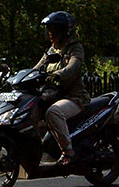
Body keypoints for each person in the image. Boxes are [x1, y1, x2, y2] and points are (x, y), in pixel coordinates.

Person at [33, 11, 90, 166]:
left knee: (54, 112)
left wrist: (58, 75)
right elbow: (37, 69)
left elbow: (74, 66)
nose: (50, 33)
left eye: (54, 29)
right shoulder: (51, 50)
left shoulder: (75, 48)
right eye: (49, 29)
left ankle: (68, 151)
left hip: (73, 97)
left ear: (64, 30)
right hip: (52, 96)